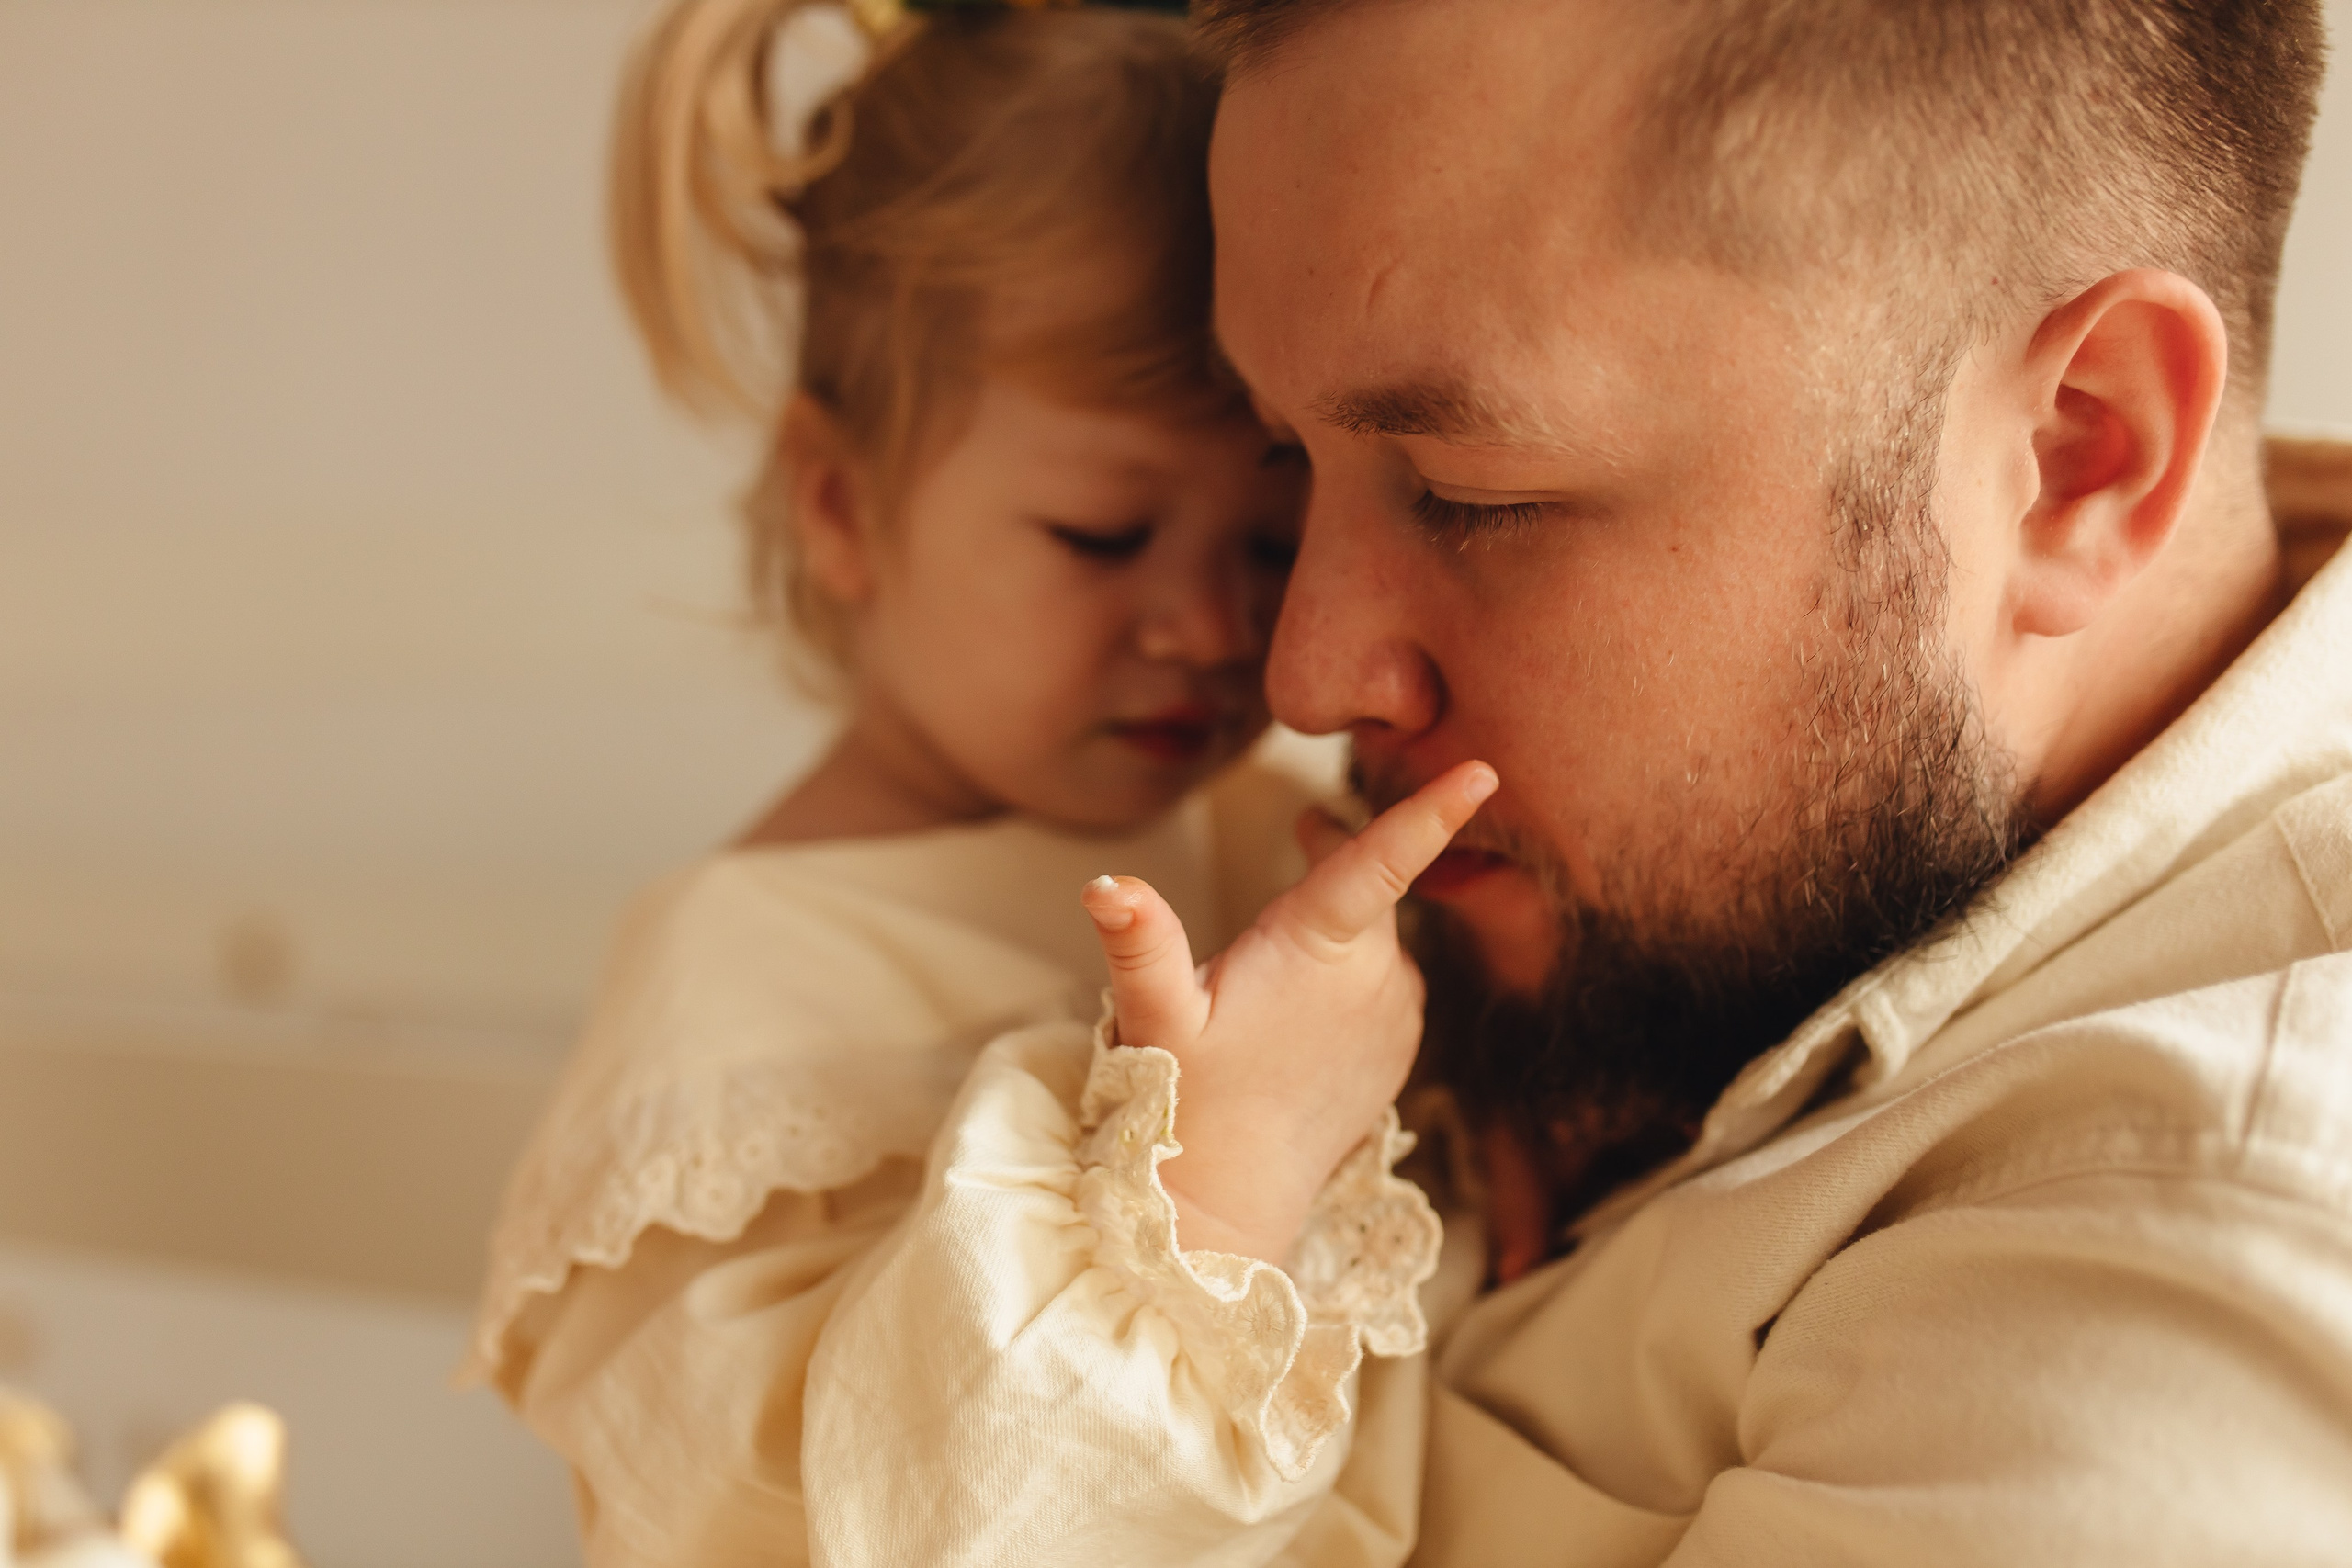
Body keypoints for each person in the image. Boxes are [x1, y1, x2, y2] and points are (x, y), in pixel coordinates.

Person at [727, 0, 2352, 1562]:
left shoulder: (2185, 1285)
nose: (1295, 679)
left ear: (2080, 456)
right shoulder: (1712, 906)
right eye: (1293, 470)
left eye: (1468, 493)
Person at [458, 1, 1396, 1559]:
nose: (1213, 625)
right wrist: (1210, 1198)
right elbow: (806, 1513)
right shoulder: (739, 991)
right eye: (1103, 534)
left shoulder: (1263, 841)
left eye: (1271, 539)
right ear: (839, 504)